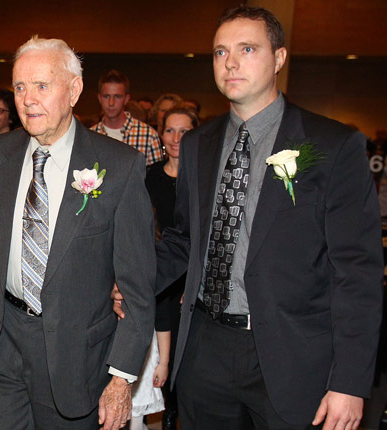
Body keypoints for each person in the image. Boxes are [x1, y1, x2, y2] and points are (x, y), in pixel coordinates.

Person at [153, 6, 383, 430]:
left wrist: (350, 381)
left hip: (293, 356)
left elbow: (356, 272)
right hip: (205, 349)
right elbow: (184, 238)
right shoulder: (199, 144)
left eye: (247, 49)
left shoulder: (333, 146)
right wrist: (131, 280)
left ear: (279, 58)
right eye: (220, 52)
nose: (231, 62)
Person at [0, 36, 156, 430]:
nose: (27, 99)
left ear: (74, 90)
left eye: (42, 85)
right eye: (20, 87)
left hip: (75, 357)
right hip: (1, 344)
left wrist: (122, 377)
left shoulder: (119, 166)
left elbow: (138, 289)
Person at [145, 108, 198, 430]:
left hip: (190, 280)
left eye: (184, 131)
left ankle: (178, 410)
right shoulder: (148, 175)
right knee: (161, 346)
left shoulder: (204, 178)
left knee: (185, 351)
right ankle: (166, 411)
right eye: (170, 131)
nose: (176, 138)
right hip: (157, 271)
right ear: (161, 135)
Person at [91, 69, 163, 166]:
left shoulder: (148, 135)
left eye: (117, 96)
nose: (111, 103)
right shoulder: (90, 136)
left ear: (126, 99)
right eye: (106, 96)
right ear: (99, 98)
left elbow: (156, 178)